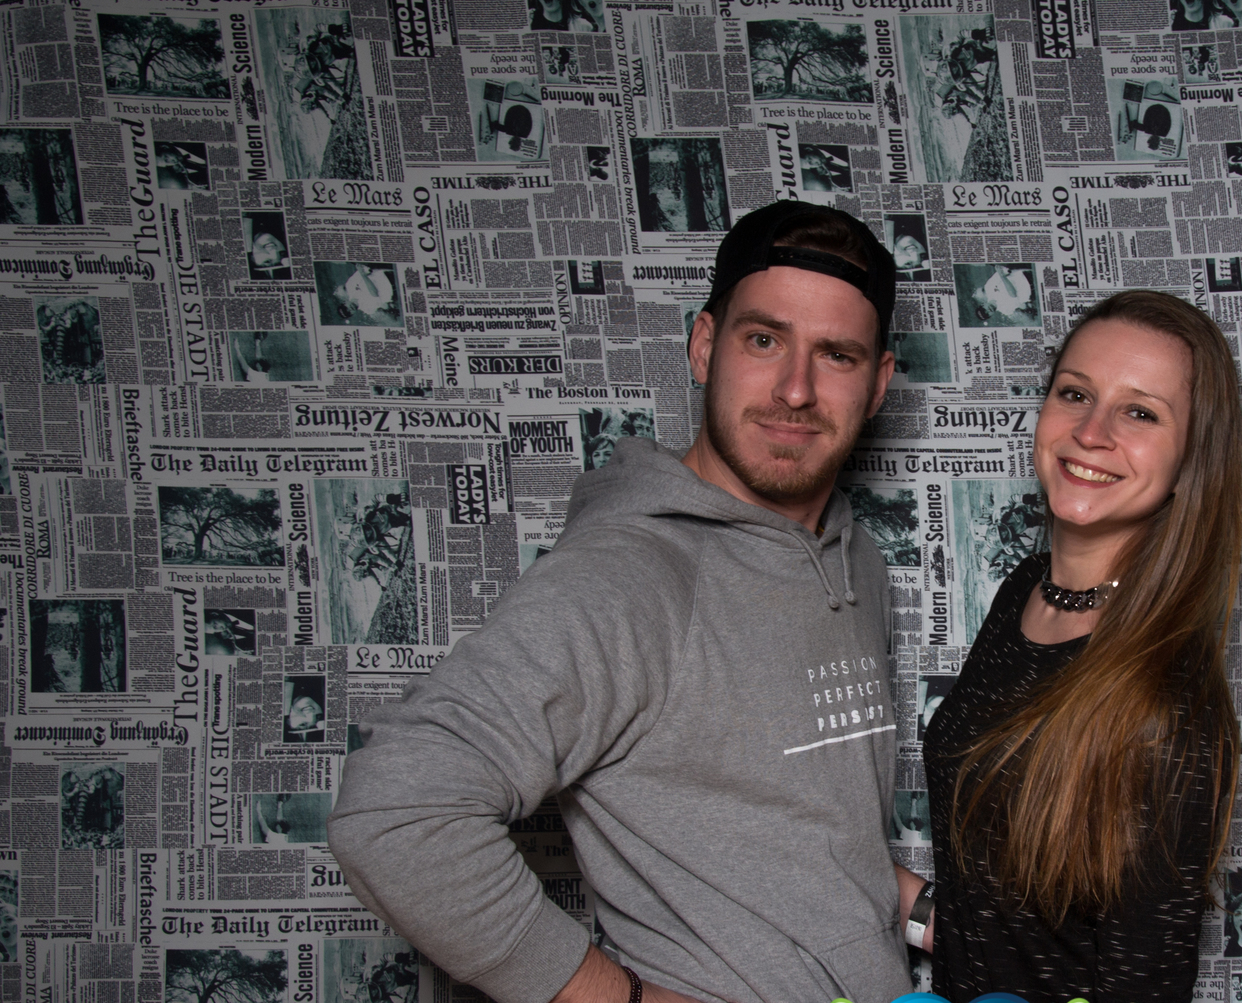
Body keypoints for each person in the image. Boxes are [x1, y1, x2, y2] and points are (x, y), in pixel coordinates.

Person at [329, 200, 912, 1003]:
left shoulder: (857, 561)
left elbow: (805, 839)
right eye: (764, 340)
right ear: (704, 346)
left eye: (837, 356)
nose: (795, 389)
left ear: (877, 384)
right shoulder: (631, 576)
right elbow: (396, 813)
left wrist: (937, 916)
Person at [909, 290, 1242, 1002]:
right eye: (1075, 394)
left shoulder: (1169, 703)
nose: (1092, 432)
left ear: (1191, 460)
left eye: (1140, 412)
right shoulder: (1024, 591)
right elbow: (1008, 918)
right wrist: (850, 877)